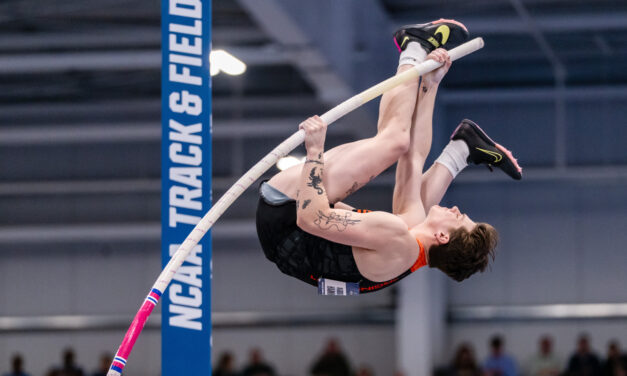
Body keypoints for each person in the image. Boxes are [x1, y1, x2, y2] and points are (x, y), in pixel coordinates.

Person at [255, 19, 521, 294]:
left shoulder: (395, 238)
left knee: (393, 141)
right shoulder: (412, 247)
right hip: (288, 232)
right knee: (407, 159)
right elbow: (413, 160)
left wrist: (314, 153)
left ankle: (413, 46)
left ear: (442, 237)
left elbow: (311, 219)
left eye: (460, 217)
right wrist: (430, 83)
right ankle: (460, 151)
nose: (456, 209)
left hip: (286, 214)